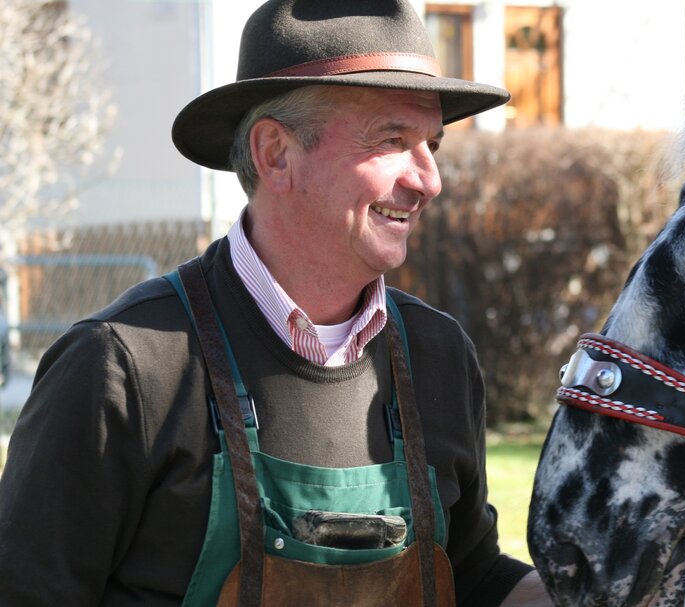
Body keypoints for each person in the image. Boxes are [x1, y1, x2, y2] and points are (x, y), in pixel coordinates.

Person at [0, 1, 552, 605]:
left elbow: (469, 573)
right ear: (275, 154)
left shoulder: (438, 356)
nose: (427, 179)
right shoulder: (123, 368)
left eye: (432, 146)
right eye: (393, 140)